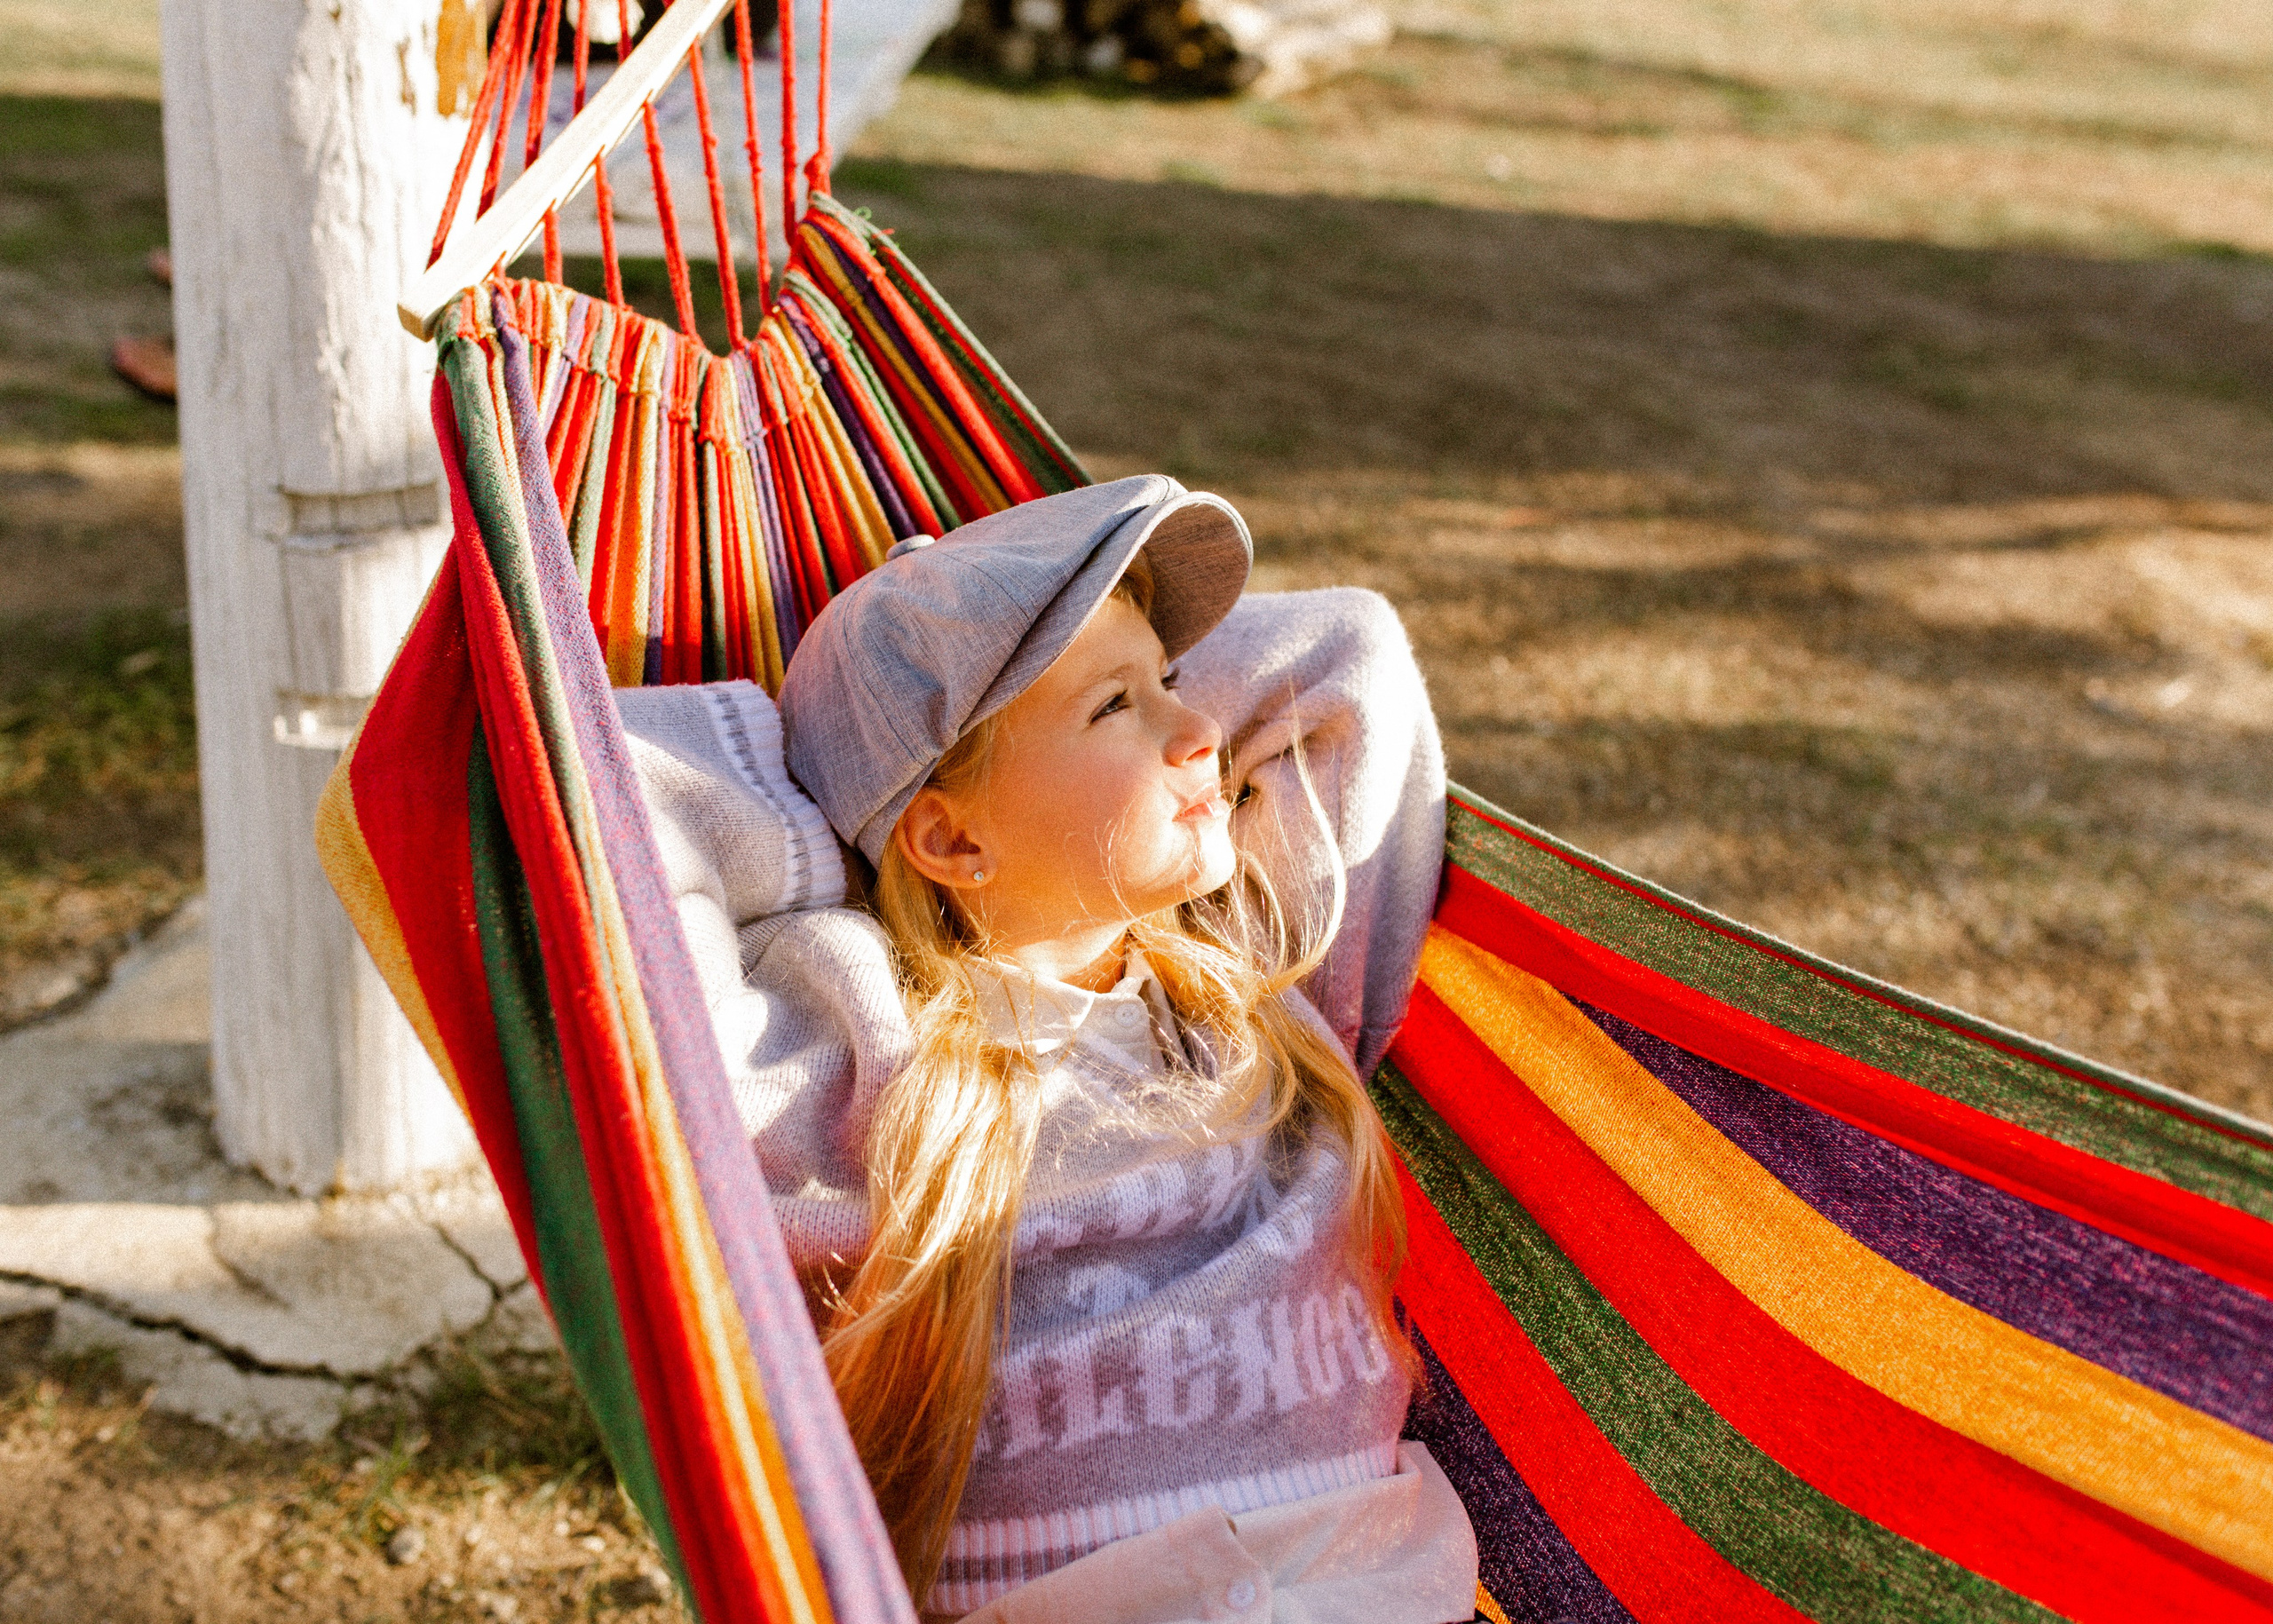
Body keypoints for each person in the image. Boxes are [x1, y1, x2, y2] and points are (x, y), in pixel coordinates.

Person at [618, 474, 1475, 1622]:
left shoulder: (1259, 979)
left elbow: (1346, 651)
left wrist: (1095, 681)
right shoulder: (856, 1033)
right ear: (951, 833)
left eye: (1171, 680)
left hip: (1357, 1577)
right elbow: (615, 784)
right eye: (1116, 709)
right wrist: (836, 825)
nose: (1201, 731)